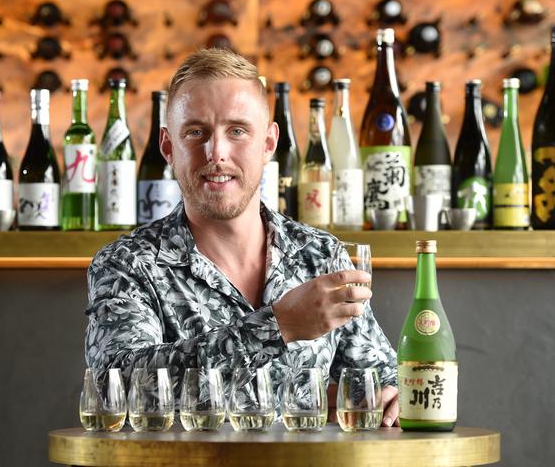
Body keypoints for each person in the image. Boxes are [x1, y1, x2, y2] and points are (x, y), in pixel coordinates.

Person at [85, 48, 399, 426]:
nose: (216, 153)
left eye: (237, 131)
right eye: (196, 132)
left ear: (268, 144)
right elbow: (115, 389)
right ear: (168, 147)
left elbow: (381, 377)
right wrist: (278, 326)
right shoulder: (127, 265)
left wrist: (390, 396)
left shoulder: (320, 255)